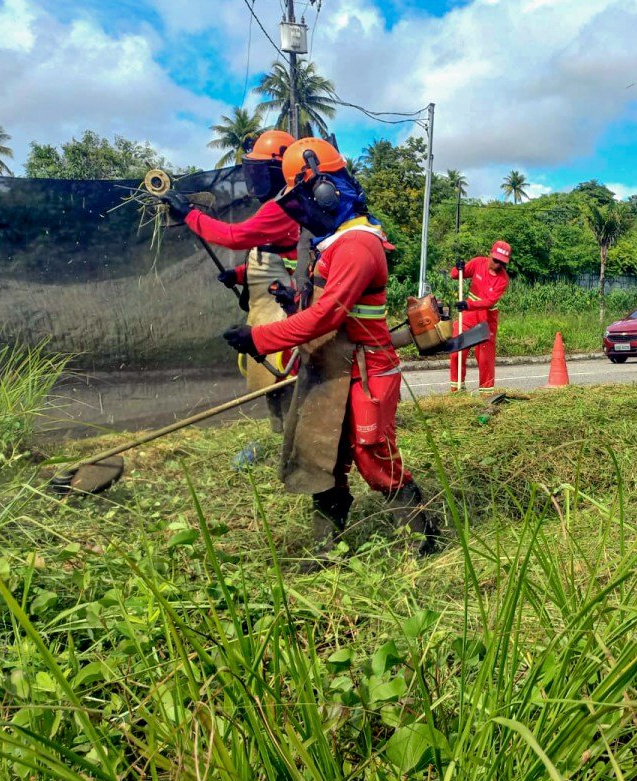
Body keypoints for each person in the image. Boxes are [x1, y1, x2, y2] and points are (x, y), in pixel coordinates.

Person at [219, 137, 437, 555]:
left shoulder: (358, 245)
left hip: (366, 371)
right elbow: (318, 307)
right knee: (324, 456)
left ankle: (422, 537)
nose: (302, 211)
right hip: (332, 368)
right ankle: (327, 548)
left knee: (371, 458)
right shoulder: (332, 245)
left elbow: (327, 317)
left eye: (304, 199)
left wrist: (259, 338)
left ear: (325, 191)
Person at [163, 129, 301, 432]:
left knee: (281, 370)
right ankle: (279, 434)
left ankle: (292, 434)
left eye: (259, 171)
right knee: (267, 373)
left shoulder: (284, 207)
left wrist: (189, 216)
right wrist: (238, 275)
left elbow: (236, 238)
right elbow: (269, 252)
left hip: (281, 307)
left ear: (278, 172)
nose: (254, 178)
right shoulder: (278, 203)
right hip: (265, 305)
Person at [448, 241, 511, 393]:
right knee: (456, 351)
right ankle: (457, 390)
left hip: (486, 320)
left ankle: (486, 395)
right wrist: (458, 267)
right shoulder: (478, 263)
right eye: (496, 260)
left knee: (485, 359)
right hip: (468, 317)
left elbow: (490, 302)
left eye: (502, 263)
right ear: (490, 254)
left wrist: (468, 305)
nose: (497, 265)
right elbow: (455, 275)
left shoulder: (503, 279)